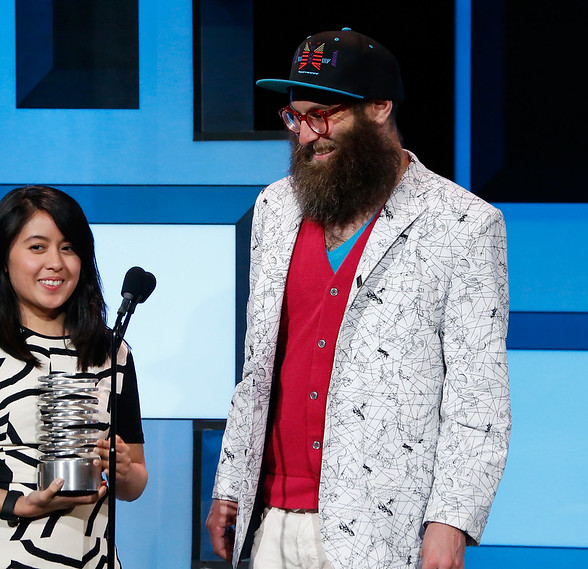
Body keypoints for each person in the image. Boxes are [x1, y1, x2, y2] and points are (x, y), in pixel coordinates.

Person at [206, 28, 510, 569]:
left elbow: (477, 394)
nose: (306, 136)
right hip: (271, 516)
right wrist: (229, 483)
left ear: (378, 109)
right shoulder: (275, 209)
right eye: (295, 117)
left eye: (324, 114)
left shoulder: (462, 222)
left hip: (386, 525)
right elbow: (258, 368)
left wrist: (451, 522)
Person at [0, 185, 147, 568]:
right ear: (2, 257)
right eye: (37, 247)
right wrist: (19, 505)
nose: (56, 262)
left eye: (68, 248)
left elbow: (134, 484)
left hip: (90, 555)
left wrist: (124, 471)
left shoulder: (112, 351)